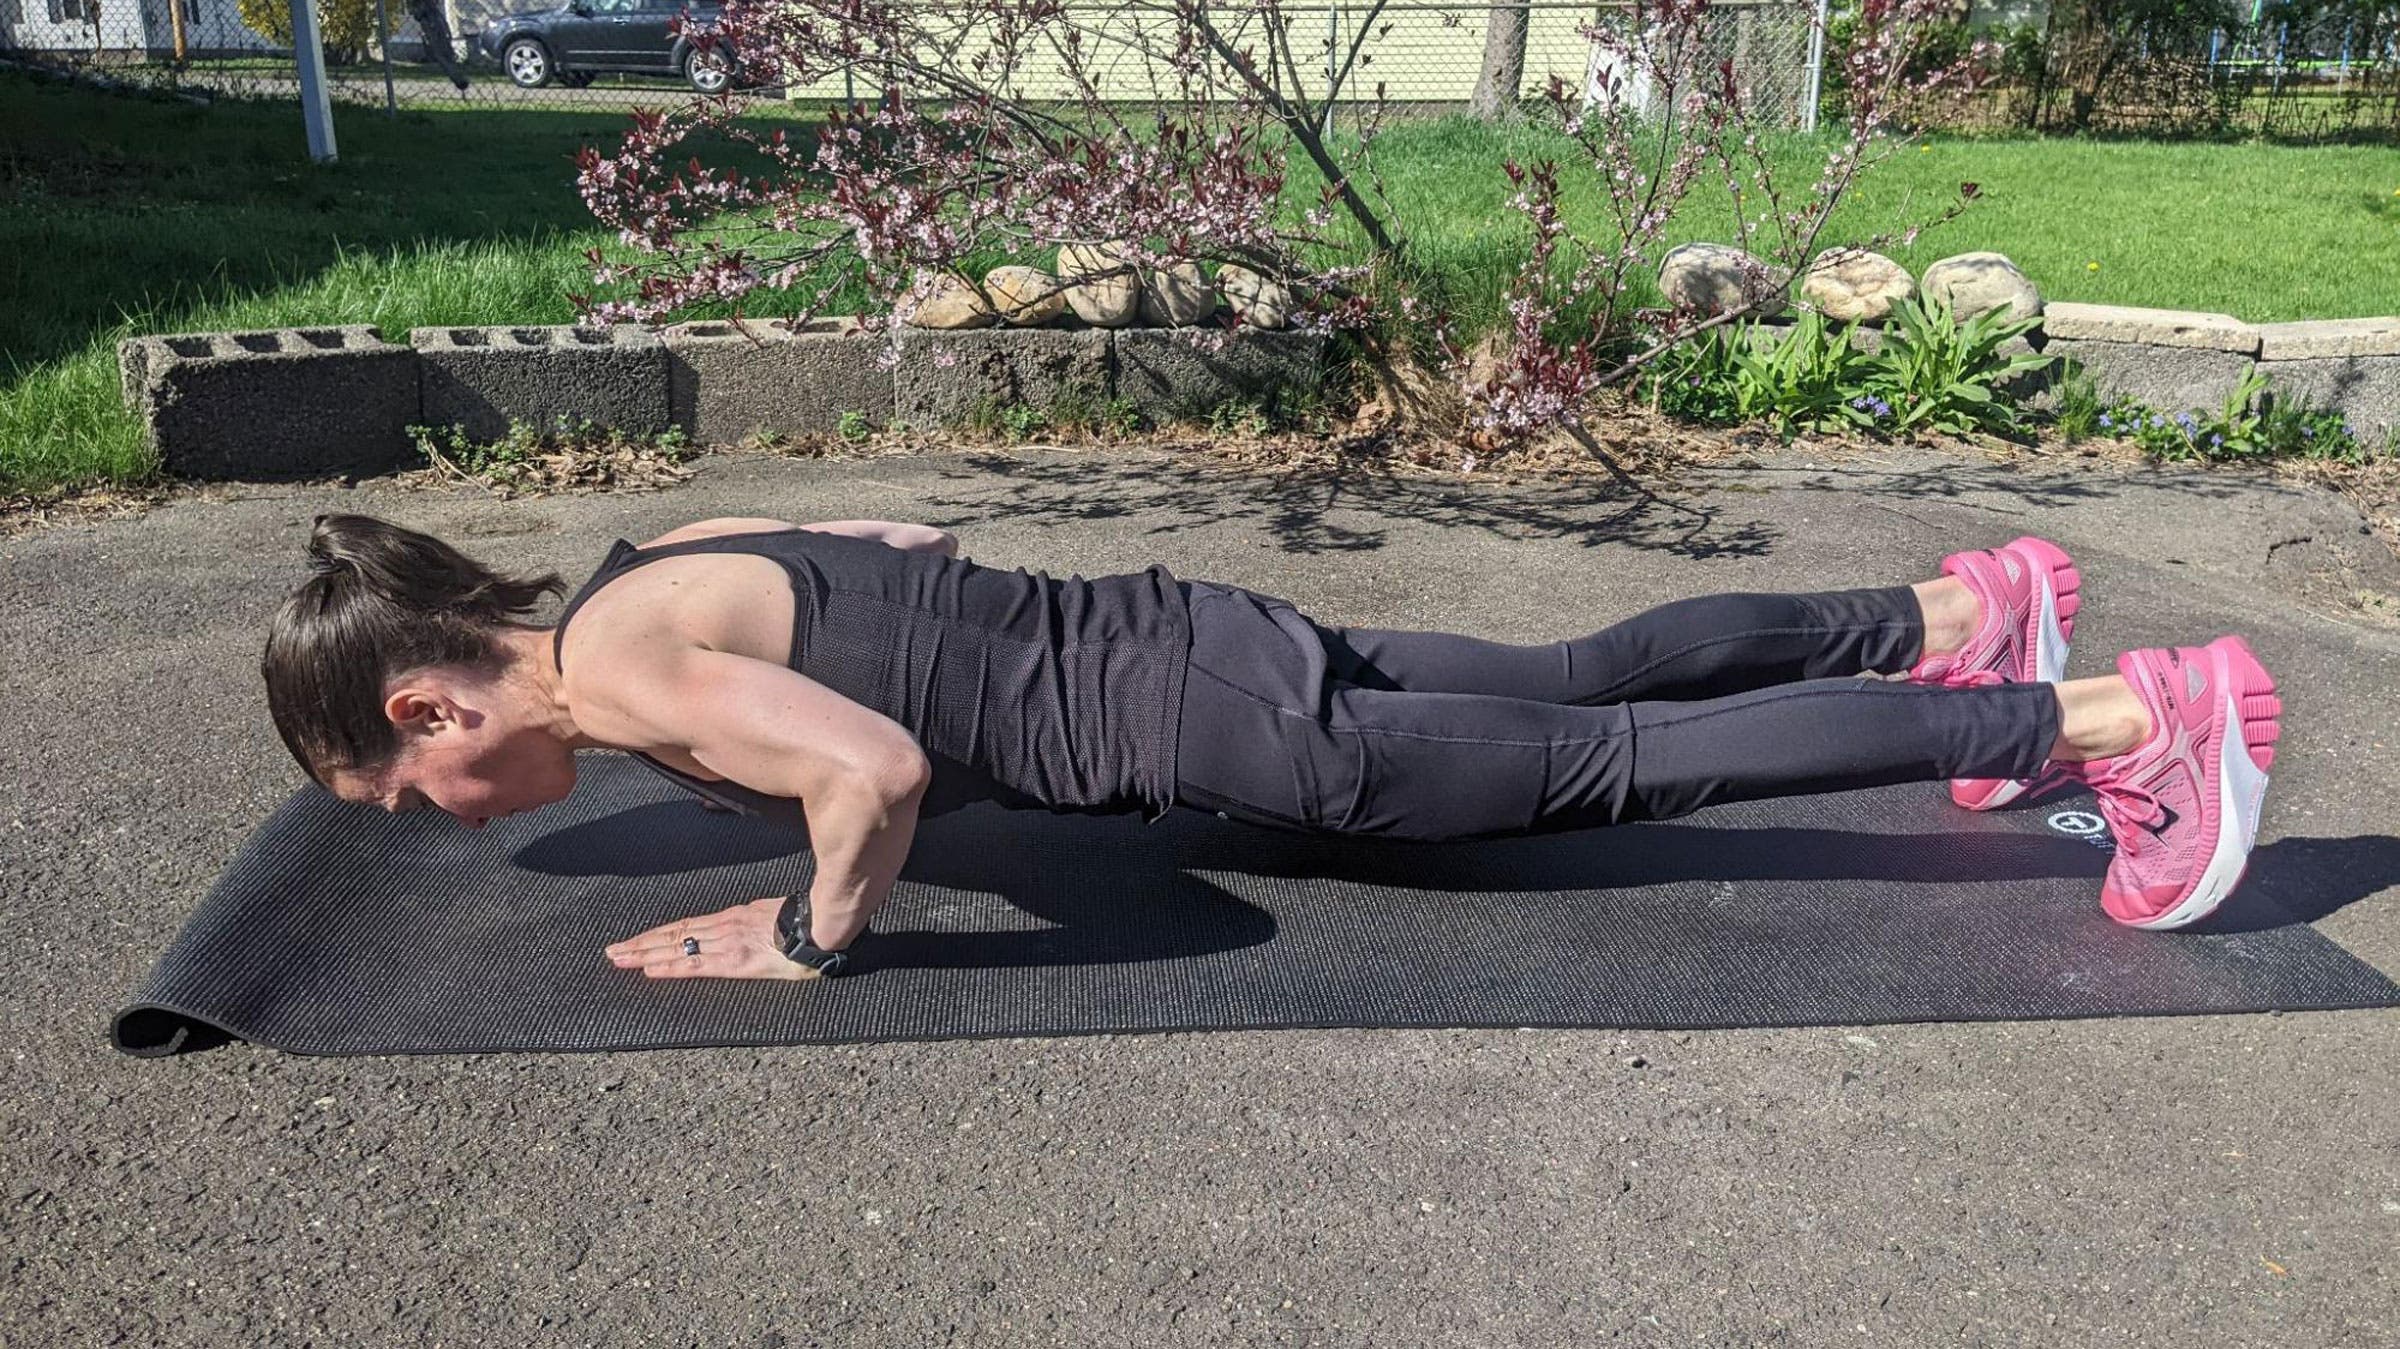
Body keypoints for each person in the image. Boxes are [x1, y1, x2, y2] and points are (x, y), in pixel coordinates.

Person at [262, 514, 2282, 983]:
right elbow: (900, 545)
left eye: (402, 791)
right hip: (1198, 628)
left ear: (428, 704)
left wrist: (805, 932)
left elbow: (870, 767)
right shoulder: (653, 563)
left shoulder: (618, 673)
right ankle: (1954, 616)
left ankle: (2127, 718)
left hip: (1226, 723)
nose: (441, 817)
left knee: (1624, 762)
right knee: (1585, 675)